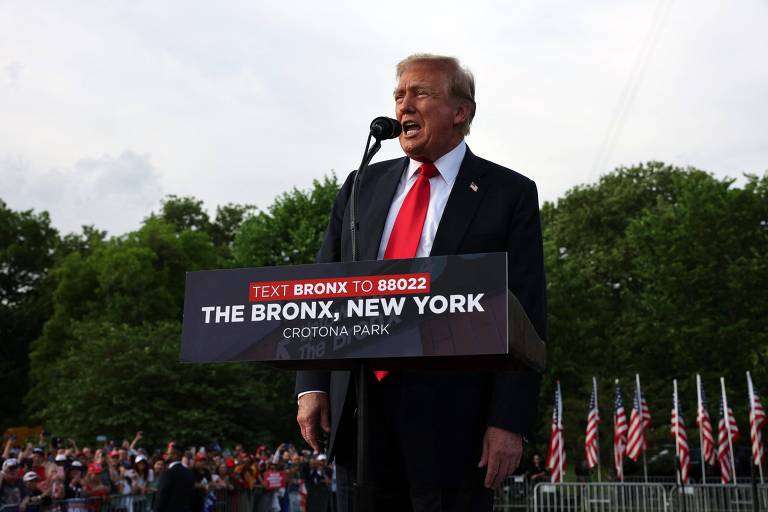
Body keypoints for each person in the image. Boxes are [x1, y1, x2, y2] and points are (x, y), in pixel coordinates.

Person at [295, 53, 547, 511]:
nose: (404, 105)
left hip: (456, 419)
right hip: (362, 409)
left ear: (460, 111)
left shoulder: (508, 193)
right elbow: (322, 287)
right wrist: (311, 383)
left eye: (421, 93)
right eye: (399, 95)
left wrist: (508, 420)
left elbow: (527, 310)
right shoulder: (360, 185)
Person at [154, 444, 195, 512]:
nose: (166, 456)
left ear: (175, 455)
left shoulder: (168, 473)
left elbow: (161, 496)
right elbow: (192, 497)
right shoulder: (189, 472)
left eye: (168, 454)